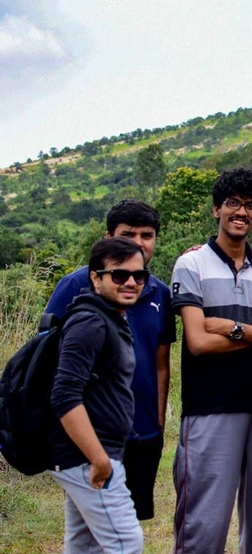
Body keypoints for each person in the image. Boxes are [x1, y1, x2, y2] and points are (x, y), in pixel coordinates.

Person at [170, 167, 252, 554]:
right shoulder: (191, 264)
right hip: (210, 409)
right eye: (234, 204)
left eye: (251, 206)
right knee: (203, 528)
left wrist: (235, 329)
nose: (242, 212)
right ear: (217, 209)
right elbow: (199, 343)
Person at [46, 200, 175, 525]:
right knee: (108, 539)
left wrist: (157, 424)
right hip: (93, 435)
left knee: (126, 525)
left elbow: (160, 363)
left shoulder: (158, 291)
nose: (138, 243)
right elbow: (51, 360)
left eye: (147, 235)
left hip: (143, 433)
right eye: (127, 234)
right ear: (108, 238)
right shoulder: (77, 286)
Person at [49, 237, 148, 554]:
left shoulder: (108, 318)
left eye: (139, 276)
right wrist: (98, 458)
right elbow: (64, 395)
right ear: (96, 278)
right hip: (89, 457)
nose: (131, 283)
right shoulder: (90, 322)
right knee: (126, 542)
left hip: (92, 454)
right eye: (119, 275)